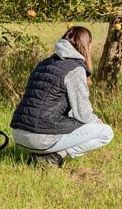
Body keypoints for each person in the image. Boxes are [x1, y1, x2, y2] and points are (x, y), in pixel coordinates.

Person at [11, 26, 113, 167]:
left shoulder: (44, 63)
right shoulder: (75, 69)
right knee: (106, 133)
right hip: (40, 138)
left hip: (18, 134)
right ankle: (53, 157)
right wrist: (97, 122)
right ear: (87, 45)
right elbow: (83, 114)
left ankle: (40, 155)